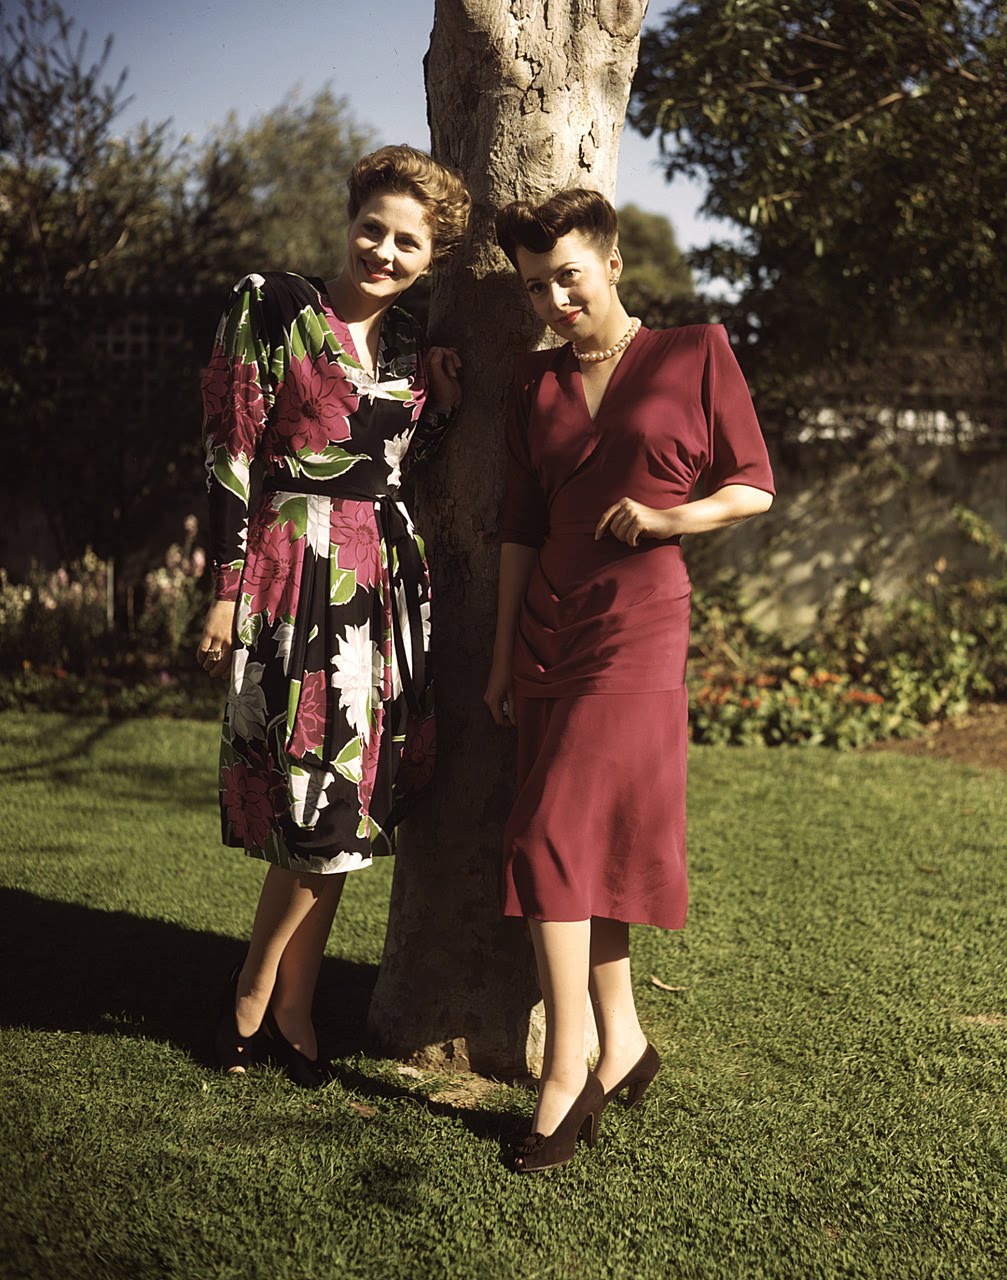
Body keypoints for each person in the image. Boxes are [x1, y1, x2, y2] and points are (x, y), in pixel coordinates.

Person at [485, 189, 775, 1171]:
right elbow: (519, 527)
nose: (553, 300)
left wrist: (668, 518)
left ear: (610, 262)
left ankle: (564, 1070)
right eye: (535, 286)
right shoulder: (531, 383)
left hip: (639, 623)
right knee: (583, 847)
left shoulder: (695, 351)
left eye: (566, 276)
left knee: (546, 835)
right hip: (546, 628)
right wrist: (500, 655)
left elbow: (751, 483)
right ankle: (625, 1042)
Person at [196, 145, 471, 1086]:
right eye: (372, 228)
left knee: (348, 809)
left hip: (381, 586)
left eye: (407, 242)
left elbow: (393, 463)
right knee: (316, 805)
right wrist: (226, 586)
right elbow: (231, 448)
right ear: (349, 221)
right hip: (293, 570)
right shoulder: (274, 304)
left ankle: (294, 1010)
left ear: (430, 258)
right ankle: (252, 994)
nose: (383, 251)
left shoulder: (411, 348)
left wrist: (442, 403)